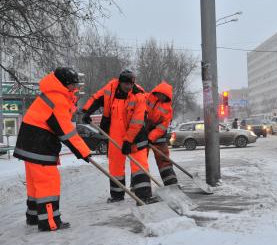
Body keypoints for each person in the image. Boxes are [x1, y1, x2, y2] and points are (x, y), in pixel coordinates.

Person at [13, 67, 92, 232]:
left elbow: (59, 118)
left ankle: (34, 217)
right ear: (63, 84)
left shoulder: (52, 94)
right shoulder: (58, 98)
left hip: (30, 144)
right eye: (71, 85)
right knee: (48, 183)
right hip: (40, 145)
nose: (74, 88)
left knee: (36, 184)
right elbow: (66, 131)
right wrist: (84, 151)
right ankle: (49, 222)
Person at [81, 70, 155, 204]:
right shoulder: (110, 88)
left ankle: (143, 196)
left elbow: (136, 122)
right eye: (126, 83)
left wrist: (128, 140)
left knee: (139, 165)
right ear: (120, 82)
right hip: (115, 132)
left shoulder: (139, 95)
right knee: (115, 165)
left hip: (135, 134)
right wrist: (87, 111)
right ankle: (117, 195)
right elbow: (97, 98)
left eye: (131, 84)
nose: (129, 86)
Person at [145, 82, 178, 186]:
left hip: (158, 135)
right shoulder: (146, 98)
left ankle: (171, 183)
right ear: (157, 92)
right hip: (142, 131)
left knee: (163, 159)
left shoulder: (168, 109)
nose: (162, 97)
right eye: (161, 94)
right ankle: (137, 185)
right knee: (140, 160)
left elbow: (162, 127)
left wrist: (150, 138)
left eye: (165, 96)